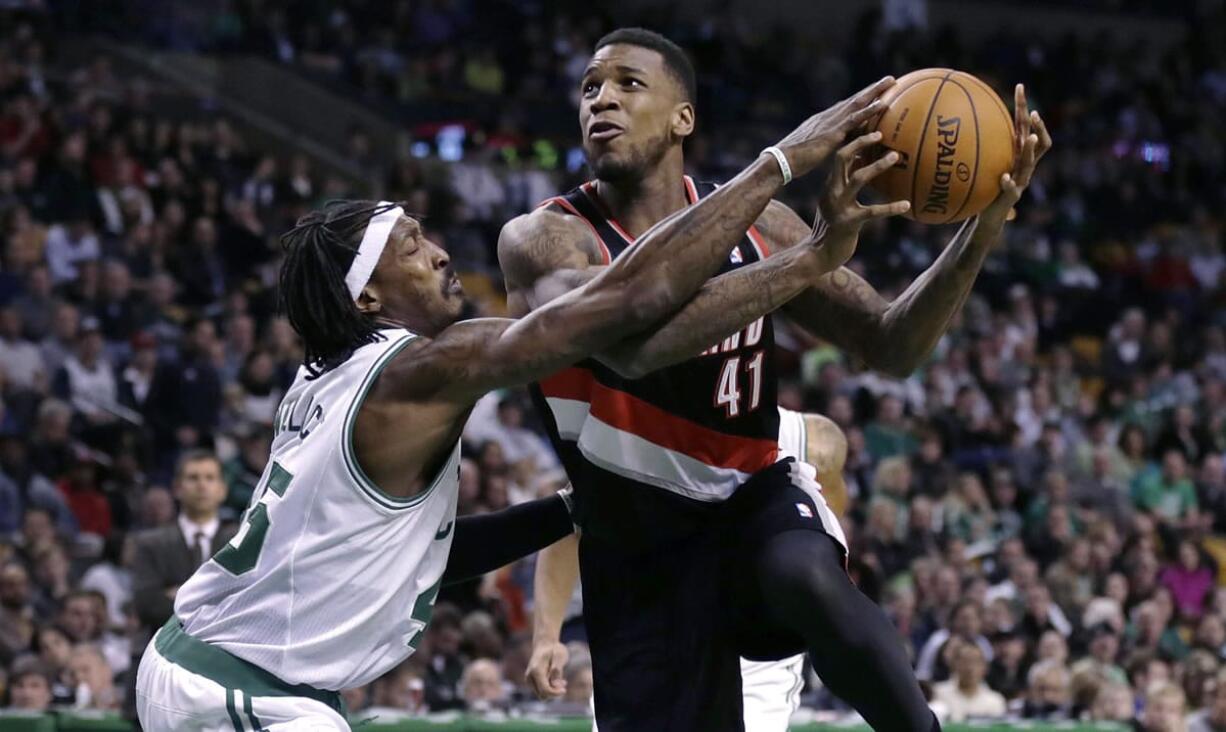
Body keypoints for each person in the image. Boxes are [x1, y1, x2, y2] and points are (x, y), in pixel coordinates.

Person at [134, 87, 877, 730]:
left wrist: (567, 507)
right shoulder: (424, 366)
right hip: (244, 687)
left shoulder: (321, 383)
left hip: (212, 668)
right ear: (367, 298)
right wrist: (781, 169)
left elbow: (422, 559)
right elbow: (621, 307)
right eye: (412, 247)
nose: (439, 255)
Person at [503, 27, 1049, 732]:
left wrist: (983, 224)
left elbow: (892, 344)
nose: (601, 100)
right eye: (589, 88)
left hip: (746, 510)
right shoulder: (544, 241)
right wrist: (789, 177)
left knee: (804, 572)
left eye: (627, 84)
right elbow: (632, 345)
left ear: (683, 118)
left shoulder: (763, 224)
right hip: (637, 547)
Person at [528, 406, 848, 731]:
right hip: (647, 641)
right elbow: (571, 523)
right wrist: (545, 637)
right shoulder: (644, 417)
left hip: (747, 653)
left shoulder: (803, 434)